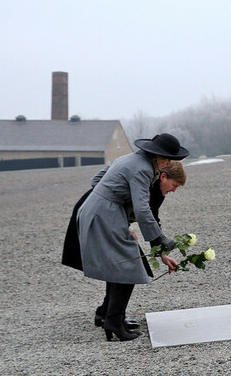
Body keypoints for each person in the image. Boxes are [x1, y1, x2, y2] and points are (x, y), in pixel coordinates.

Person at [69, 133, 189, 341]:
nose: (168, 162)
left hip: (98, 211)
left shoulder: (129, 159)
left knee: (121, 263)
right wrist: (160, 238)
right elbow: (143, 210)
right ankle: (113, 321)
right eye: (168, 158)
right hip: (104, 214)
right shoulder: (143, 169)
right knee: (129, 265)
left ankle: (112, 318)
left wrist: (109, 200)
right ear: (160, 156)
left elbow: (96, 180)